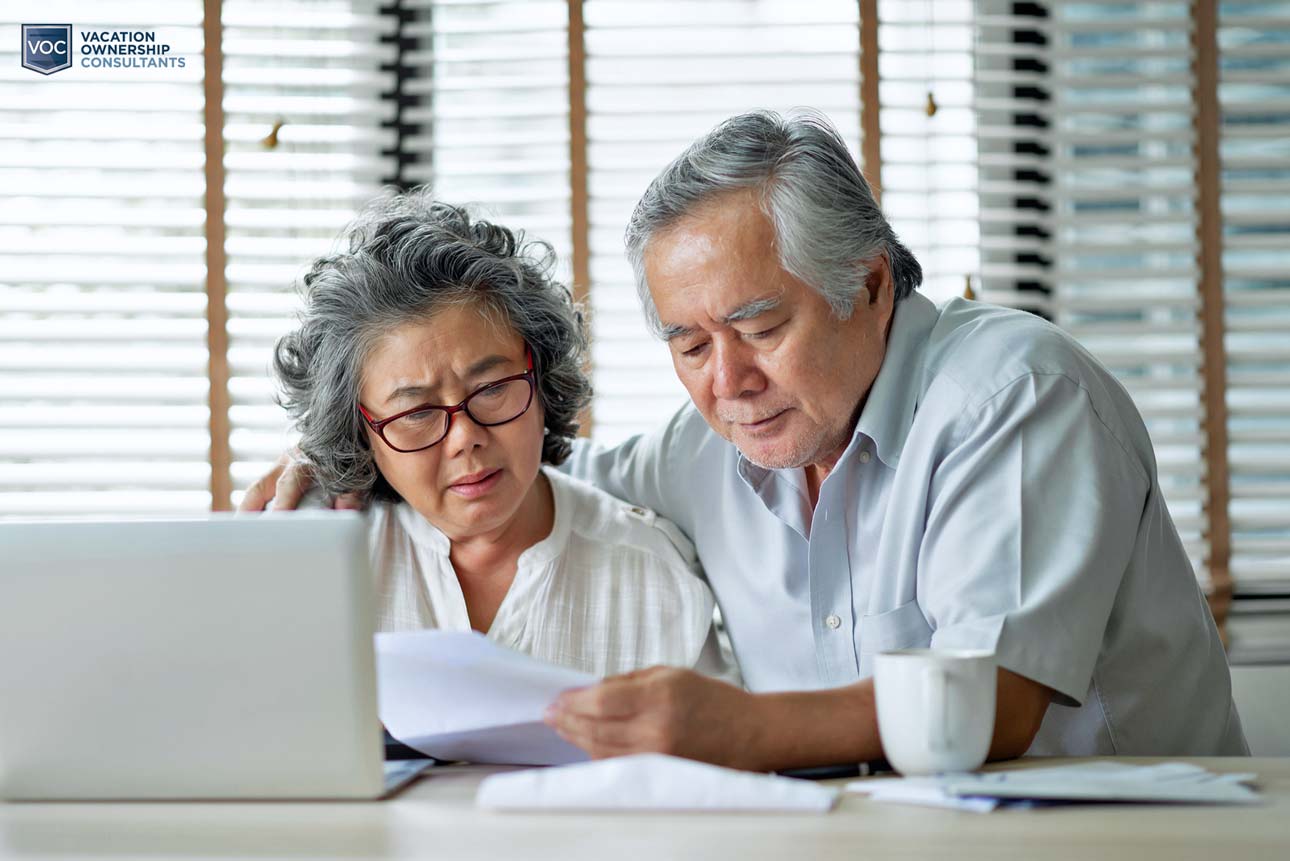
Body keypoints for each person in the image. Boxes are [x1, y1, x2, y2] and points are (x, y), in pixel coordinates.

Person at [247, 110, 1247, 768]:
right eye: (688, 343)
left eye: (762, 327)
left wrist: (736, 731)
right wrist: (348, 456)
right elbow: (524, 468)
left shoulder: (1015, 394)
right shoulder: (712, 445)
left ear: (869, 286)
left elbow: (997, 702)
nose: (727, 384)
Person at [270, 190, 732, 680]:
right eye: (417, 412)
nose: (464, 437)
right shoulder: (319, 562)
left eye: (491, 389)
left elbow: (702, 751)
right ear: (362, 430)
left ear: (541, 377)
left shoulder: (650, 575)